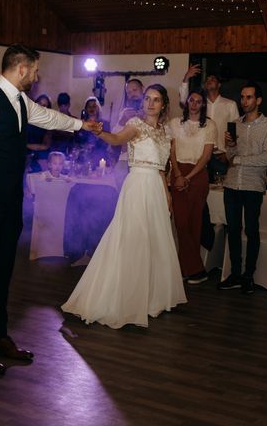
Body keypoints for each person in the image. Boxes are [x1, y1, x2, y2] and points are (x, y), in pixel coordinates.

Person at [0, 44, 96, 374]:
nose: (37, 76)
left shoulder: (20, 100)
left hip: (10, 200)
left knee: (3, 270)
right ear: (21, 69)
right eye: (34, 70)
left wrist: (82, 126)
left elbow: (48, 117)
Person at [62, 84, 187, 328]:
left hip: (156, 188)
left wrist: (168, 195)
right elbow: (116, 139)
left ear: (163, 105)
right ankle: (123, 299)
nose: (150, 103)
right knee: (132, 239)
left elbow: (163, 170)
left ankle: (153, 298)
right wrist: (99, 132)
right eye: (148, 99)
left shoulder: (166, 132)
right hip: (137, 186)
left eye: (156, 100)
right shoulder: (135, 125)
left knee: (154, 240)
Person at [217, 82, 267, 294]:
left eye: (249, 97)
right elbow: (229, 158)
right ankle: (234, 273)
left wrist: (239, 159)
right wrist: (231, 147)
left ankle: (248, 276)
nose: (244, 101)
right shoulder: (234, 124)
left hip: (253, 185)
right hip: (232, 183)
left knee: (251, 230)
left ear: (258, 100)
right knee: (232, 230)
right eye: (242, 97)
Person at [168, 89, 218, 284]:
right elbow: (170, 150)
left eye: (198, 101)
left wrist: (188, 176)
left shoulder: (210, 125)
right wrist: (178, 174)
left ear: (203, 104)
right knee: (180, 223)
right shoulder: (174, 123)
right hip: (178, 171)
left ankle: (184, 268)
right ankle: (197, 270)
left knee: (194, 223)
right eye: (192, 100)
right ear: (186, 102)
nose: (195, 104)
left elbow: (206, 156)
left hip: (198, 176)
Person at [179, 65, 239, 178]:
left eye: (212, 79)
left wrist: (228, 153)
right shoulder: (199, 103)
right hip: (200, 156)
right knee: (198, 188)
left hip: (220, 156)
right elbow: (183, 100)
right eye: (207, 80)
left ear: (219, 84)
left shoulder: (230, 104)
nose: (209, 81)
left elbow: (235, 131)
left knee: (219, 191)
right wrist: (186, 78)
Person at [112, 78, 144, 187]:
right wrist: (122, 121)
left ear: (142, 89)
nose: (132, 94)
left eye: (134, 90)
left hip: (144, 161)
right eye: (129, 93)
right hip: (125, 159)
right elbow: (114, 137)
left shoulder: (150, 110)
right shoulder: (125, 112)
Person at [76, 96, 111, 167]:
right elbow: (77, 142)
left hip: (100, 159)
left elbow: (106, 143)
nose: (92, 109)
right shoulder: (81, 124)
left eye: (94, 106)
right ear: (86, 109)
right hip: (83, 160)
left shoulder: (105, 124)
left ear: (98, 108)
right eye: (89, 107)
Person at [26, 94, 53, 171]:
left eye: (44, 105)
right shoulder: (26, 119)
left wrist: (26, 145)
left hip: (38, 156)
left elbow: (45, 146)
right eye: (39, 103)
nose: (40, 106)